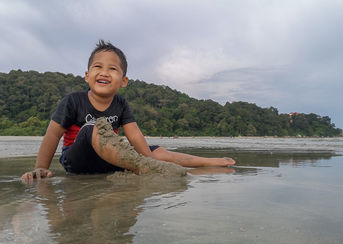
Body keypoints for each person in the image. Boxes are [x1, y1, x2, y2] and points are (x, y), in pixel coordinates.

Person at [21, 40, 235, 182]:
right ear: (87, 75)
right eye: (98, 67)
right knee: (92, 128)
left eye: (112, 69)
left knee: (157, 151)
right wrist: (41, 167)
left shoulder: (121, 104)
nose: (104, 72)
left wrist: (149, 157)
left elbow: (134, 136)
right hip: (78, 160)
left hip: (110, 160)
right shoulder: (72, 101)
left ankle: (209, 161)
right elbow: (52, 135)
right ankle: (144, 167)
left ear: (123, 81)